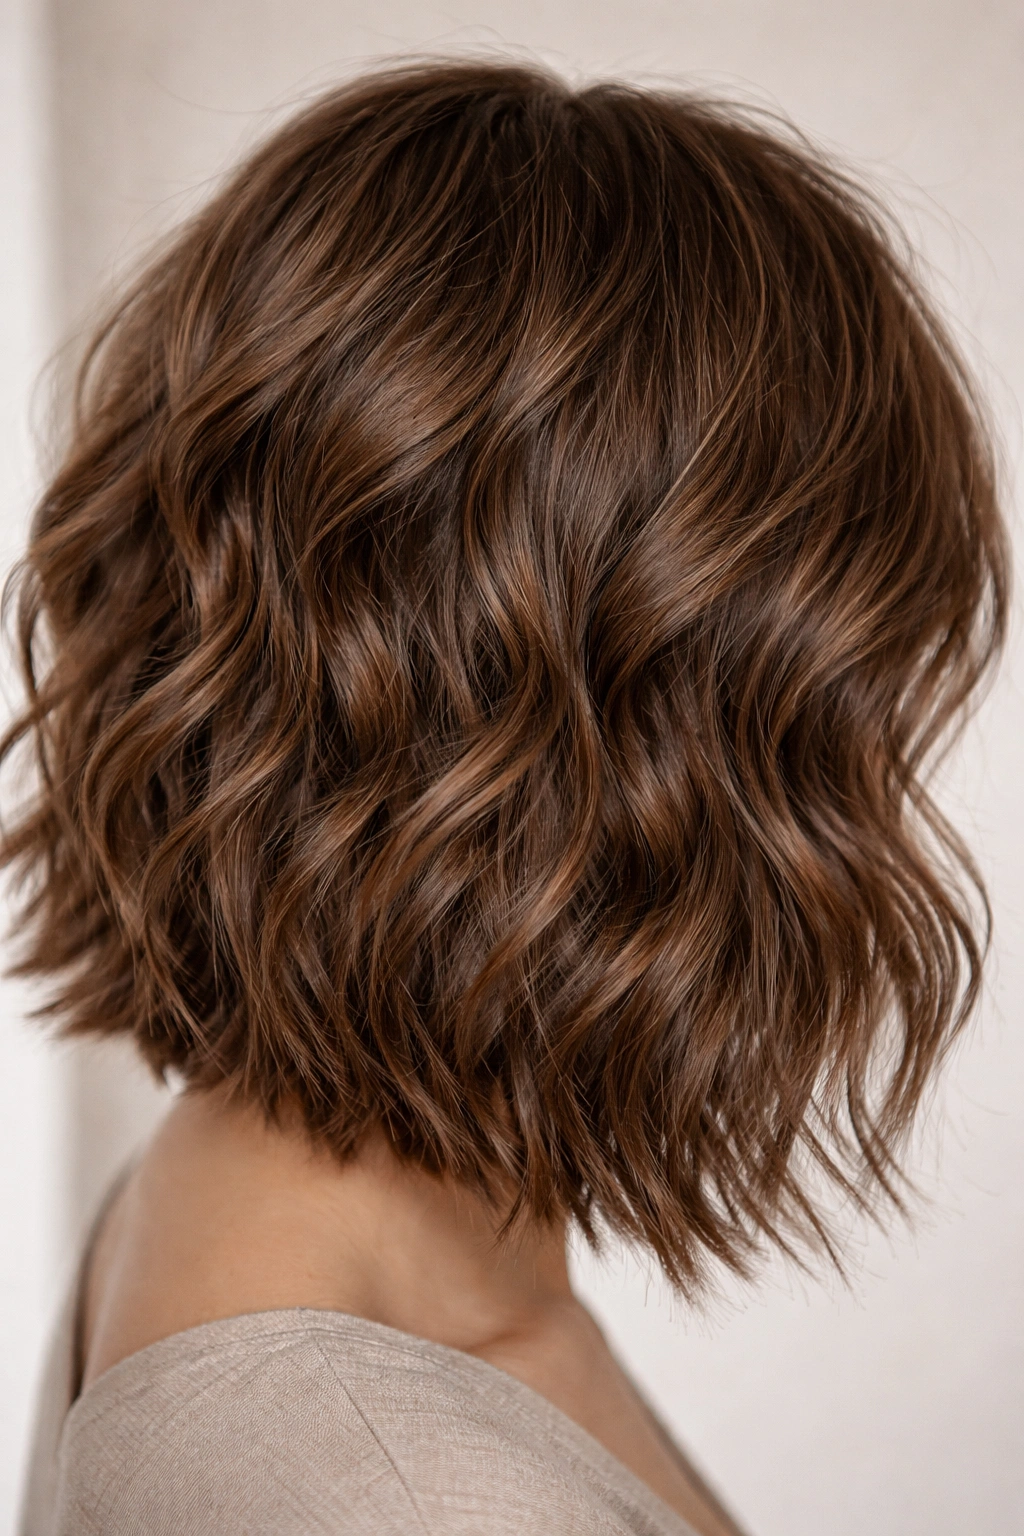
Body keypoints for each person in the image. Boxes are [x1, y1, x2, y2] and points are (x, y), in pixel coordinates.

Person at [6, 58, 1007, 1536]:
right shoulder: (394, 1495)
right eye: (842, 708)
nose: (877, 798)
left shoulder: (258, 1199)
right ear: (680, 747)